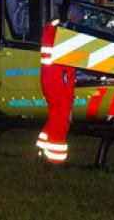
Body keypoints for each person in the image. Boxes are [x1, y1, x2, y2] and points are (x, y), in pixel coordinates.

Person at [35, 20, 76, 164]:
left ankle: (42, 147)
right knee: (61, 120)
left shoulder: (51, 30)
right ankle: (55, 159)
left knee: (55, 116)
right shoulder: (58, 33)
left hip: (53, 80)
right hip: (57, 81)